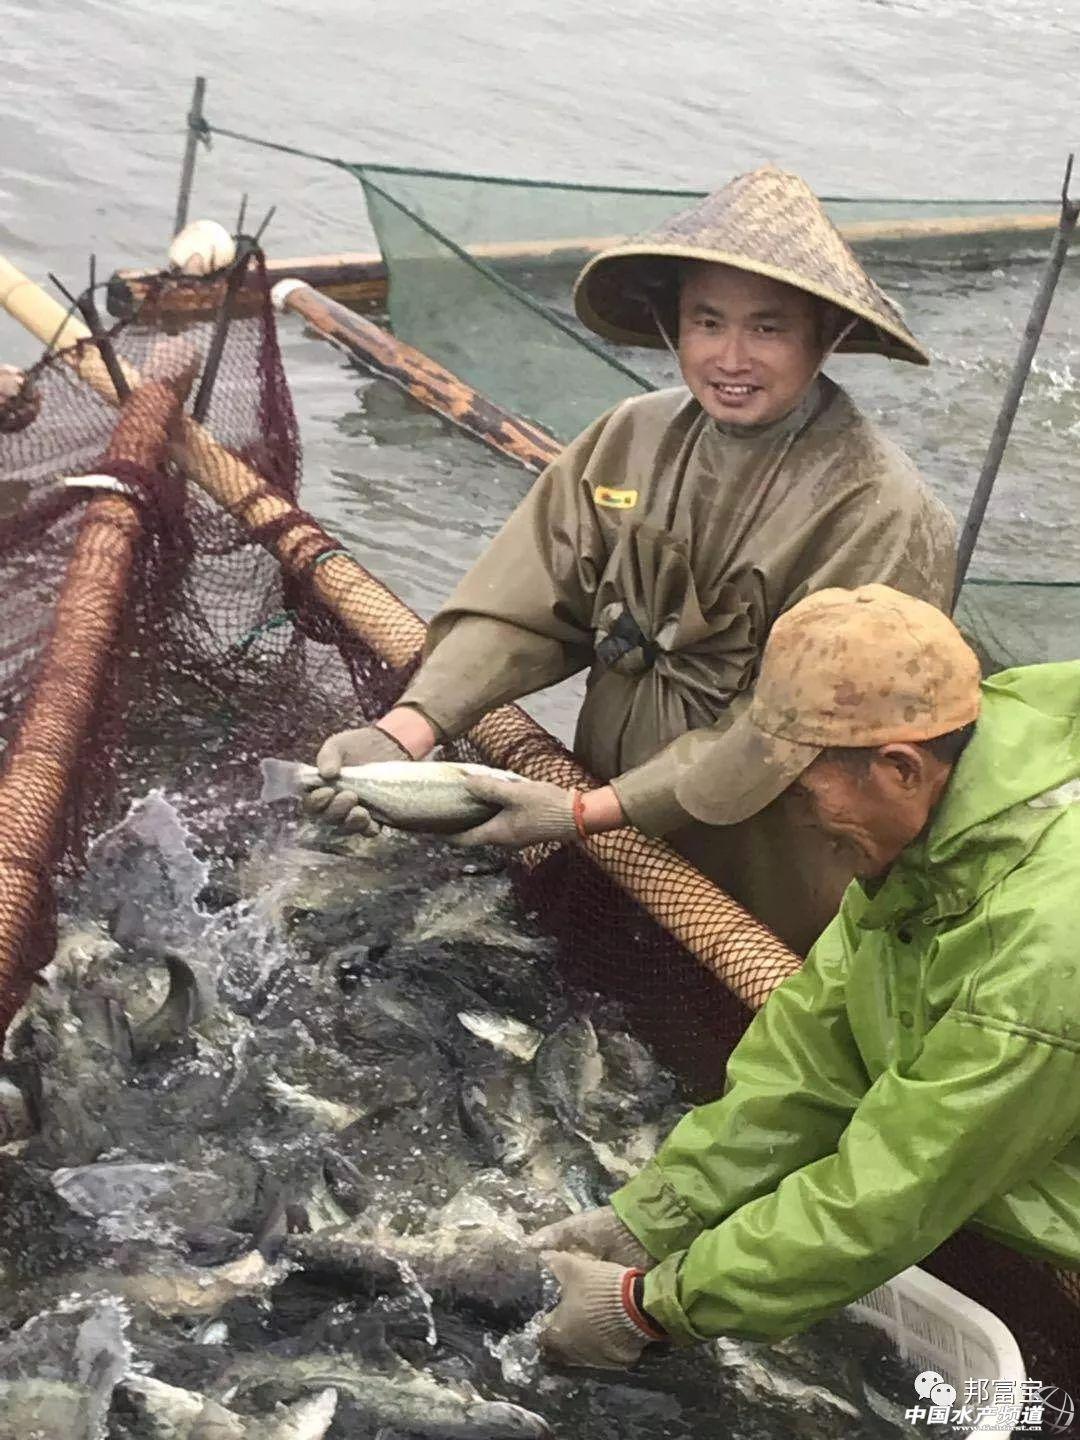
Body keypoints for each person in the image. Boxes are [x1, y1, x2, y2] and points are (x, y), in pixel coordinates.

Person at [309, 165, 957, 955]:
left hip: (769, 851)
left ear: (827, 336)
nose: (731, 357)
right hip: (601, 798)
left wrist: (585, 813)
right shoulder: (631, 435)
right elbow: (530, 600)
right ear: (671, 326)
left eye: (768, 328)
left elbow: (792, 729)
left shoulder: (878, 506)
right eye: (707, 322)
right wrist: (408, 730)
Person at [524, 584, 1080, 1367]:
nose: (795, 816)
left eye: (800, 789)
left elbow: (901, 1187)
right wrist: (656, 1215)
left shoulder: (1047, 944)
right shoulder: (943, 827)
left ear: (899, 770)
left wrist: (649, 1311)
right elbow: (821, 1042)